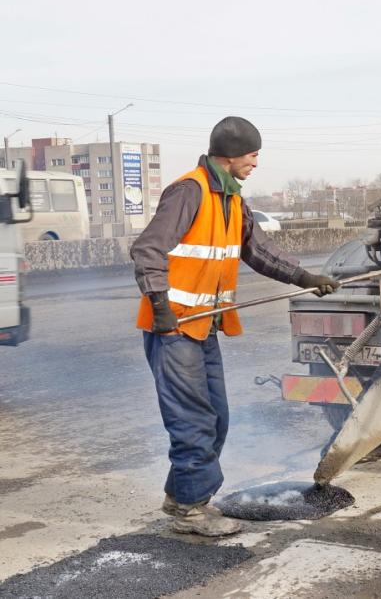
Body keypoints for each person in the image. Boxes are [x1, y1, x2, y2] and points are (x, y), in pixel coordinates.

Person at [131, 116, 340, 537]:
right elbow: (147, 249)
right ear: (230, 155)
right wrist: (160, 305)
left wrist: (306, 278)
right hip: (173, 330)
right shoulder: (188, 191)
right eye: (253, 154)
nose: (257, 163)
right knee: (193, 420)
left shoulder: (231, 199)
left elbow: (258, 251)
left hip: (203, 327)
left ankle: (181, 496)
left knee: (217, 418)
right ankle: (191, 510)